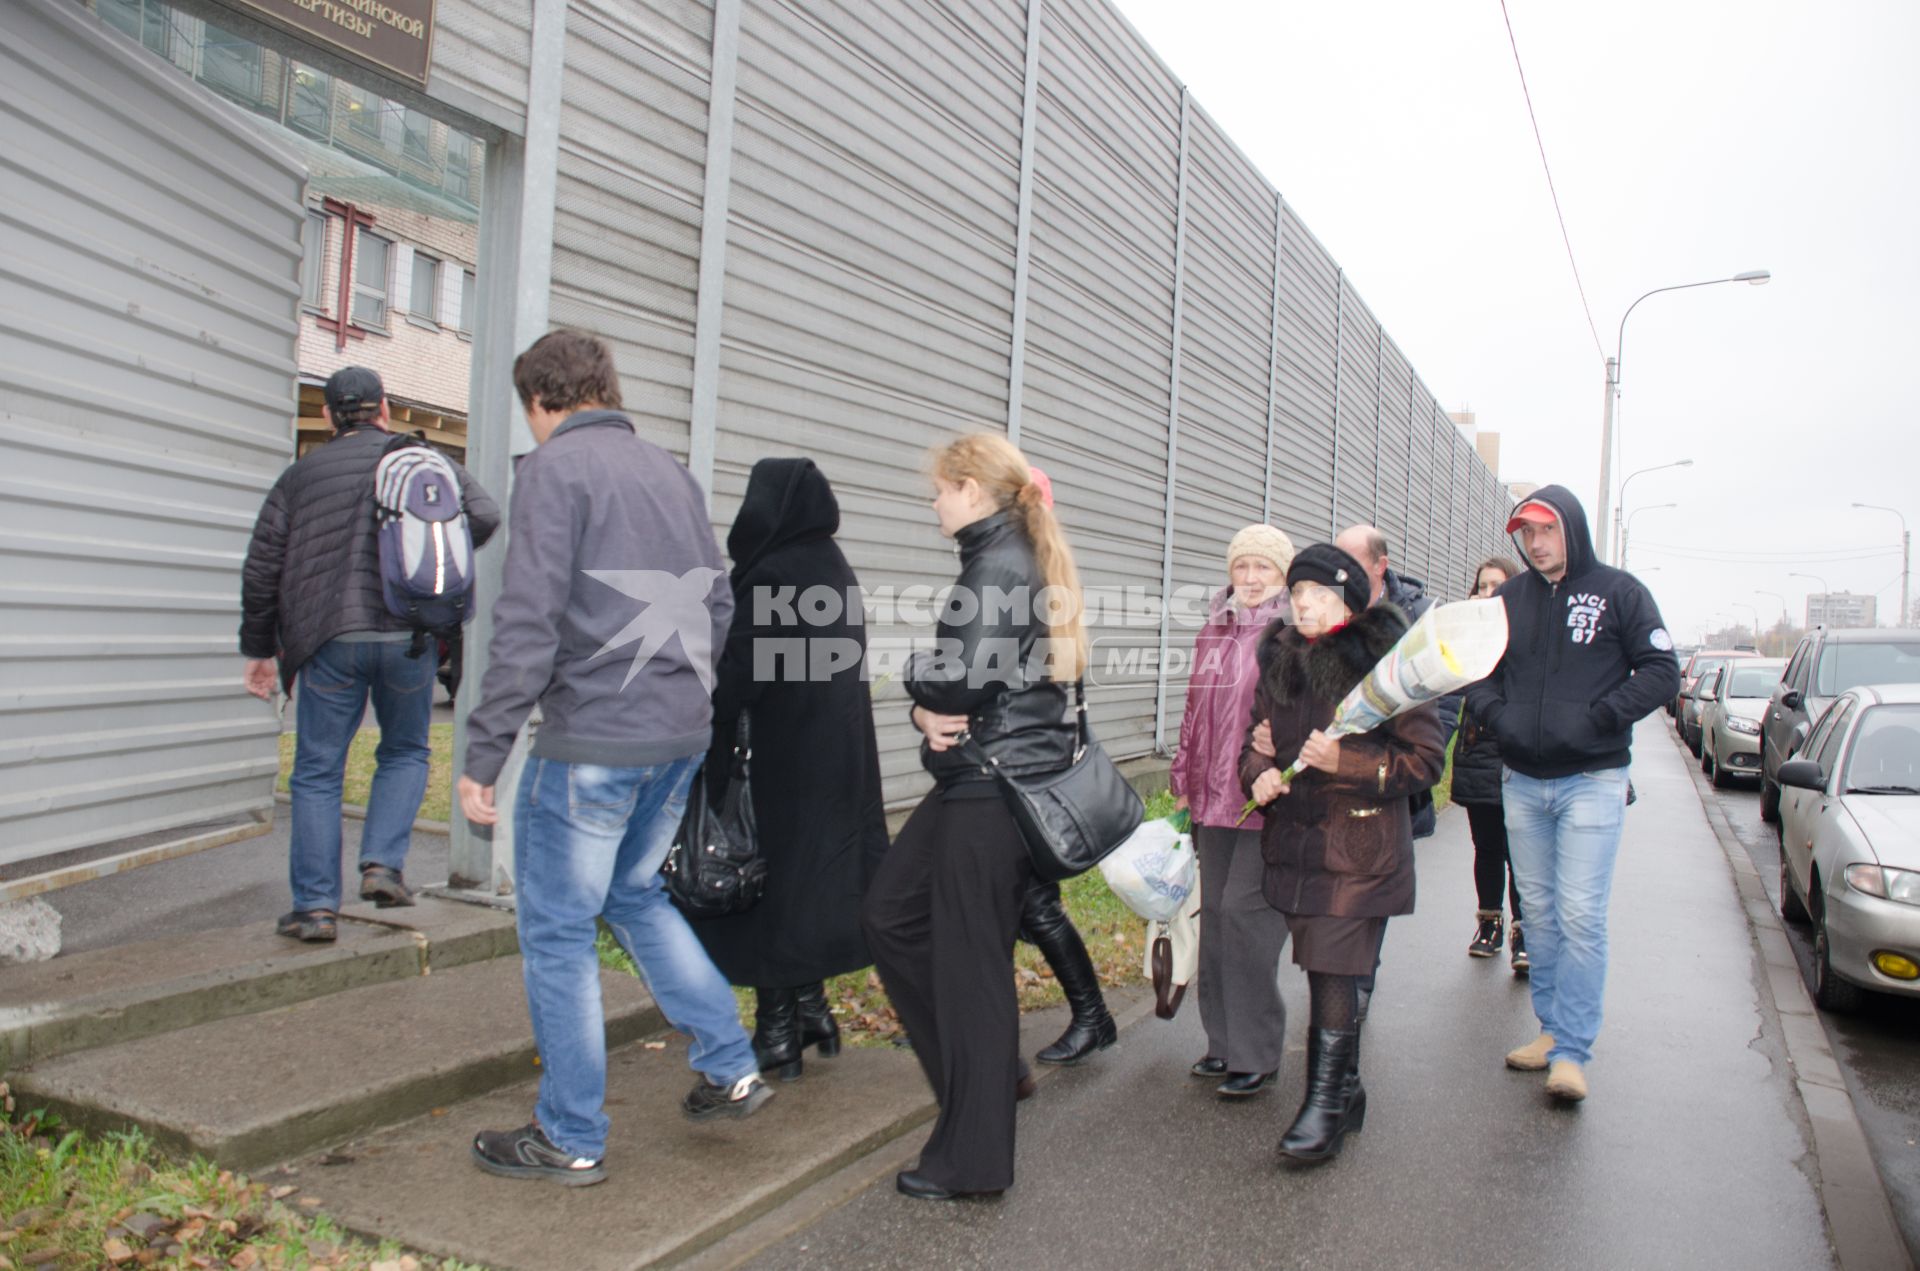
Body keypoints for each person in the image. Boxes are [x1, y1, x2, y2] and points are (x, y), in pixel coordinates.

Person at [458, 331, 769, 1188]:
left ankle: (570, 1134)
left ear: (539, 403)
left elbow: (527, 621)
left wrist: (483, 751)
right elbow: (718, 598)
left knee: (556, 929)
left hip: (595, 739)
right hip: (675, 734)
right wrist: (689, 692)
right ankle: (730, 1062)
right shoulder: (668, 470)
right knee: (633, 893)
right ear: (607, 387)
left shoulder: (554, 470)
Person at [864, 433, 1088, 1201]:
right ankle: (988, 1075)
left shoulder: (997, 563)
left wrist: (915, 683)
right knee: (892, 914)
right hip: (983, 779)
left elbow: (960, 681)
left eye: (938, 488)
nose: (932, 500)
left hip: (988, 787)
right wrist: (934, 704)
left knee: (970, 968)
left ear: (970, 488)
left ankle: (973, 1157)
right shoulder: (1005, 554)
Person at [241, 366, 499, 943]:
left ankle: (314, 909)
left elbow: (262, 569)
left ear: (332, 416)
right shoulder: (422, 461)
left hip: (328, 639)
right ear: (384, 408)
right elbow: (484, 514)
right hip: (408, 634)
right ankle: (382, 866)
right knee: (406, 750)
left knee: (316, 771)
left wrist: (261, 649)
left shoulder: (300, 476)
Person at [1464, 486, 1679, 1104]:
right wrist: (1500, 719)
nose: (1535, 544)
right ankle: (1551, 1031)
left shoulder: (1621, 592)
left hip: (1592, 780)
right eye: (1526, 534)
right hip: (1522, 781)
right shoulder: (1508, 598)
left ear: (1572, 531)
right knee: (1541, 912)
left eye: (1546, 531)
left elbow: (1662, 672)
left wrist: (1599, 718)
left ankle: (1574, 1053)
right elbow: (1476, 671)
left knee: (1581, 914)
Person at [1240, 544, 1444, 1164]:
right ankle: (1347, 1093)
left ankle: (1324, 1105)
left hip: (1360, 849)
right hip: (1297, 846)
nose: (1304, 603)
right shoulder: (1281, 660)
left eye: (1320, 595)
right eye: (1298, 593)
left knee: (1333, 967)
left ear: (1352, 605)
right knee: (1332, 969)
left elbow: (1425, 762)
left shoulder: (1391, 666)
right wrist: (1258, 775)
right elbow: (1258, 742)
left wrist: (1346, 761)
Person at [691, 458, 890, 1081]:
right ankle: (811, 1010)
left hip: (780, 759)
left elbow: (740, 675)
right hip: (831, 755)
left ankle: (777, 1031)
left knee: (769, 891)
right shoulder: (832, 565)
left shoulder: (773, 572)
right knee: (807, 887)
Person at [1169, 524, 1295, 1099]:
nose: (1249, 578)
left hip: (1262, 798)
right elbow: (1195, 710)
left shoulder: (1292, 634)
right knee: (1215, 917)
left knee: (1248, 918)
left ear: (1283, 575)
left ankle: (1257, 1051)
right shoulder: (1212, 628)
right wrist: (1181, 778)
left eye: (1262, 568)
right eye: (1241, 566)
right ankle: (1221, 1044)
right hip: (1210, 797)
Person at [1452, 556, 1528, 972]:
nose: (1488, 592)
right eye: (1482, 585)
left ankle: (1524, 931)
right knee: (1487, 847)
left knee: (1522, 851)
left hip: (1520, 755)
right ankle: (1489, 925)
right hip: (1479, 756)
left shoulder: (1528, 636)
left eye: (1497, 585)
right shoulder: (1465, 638)